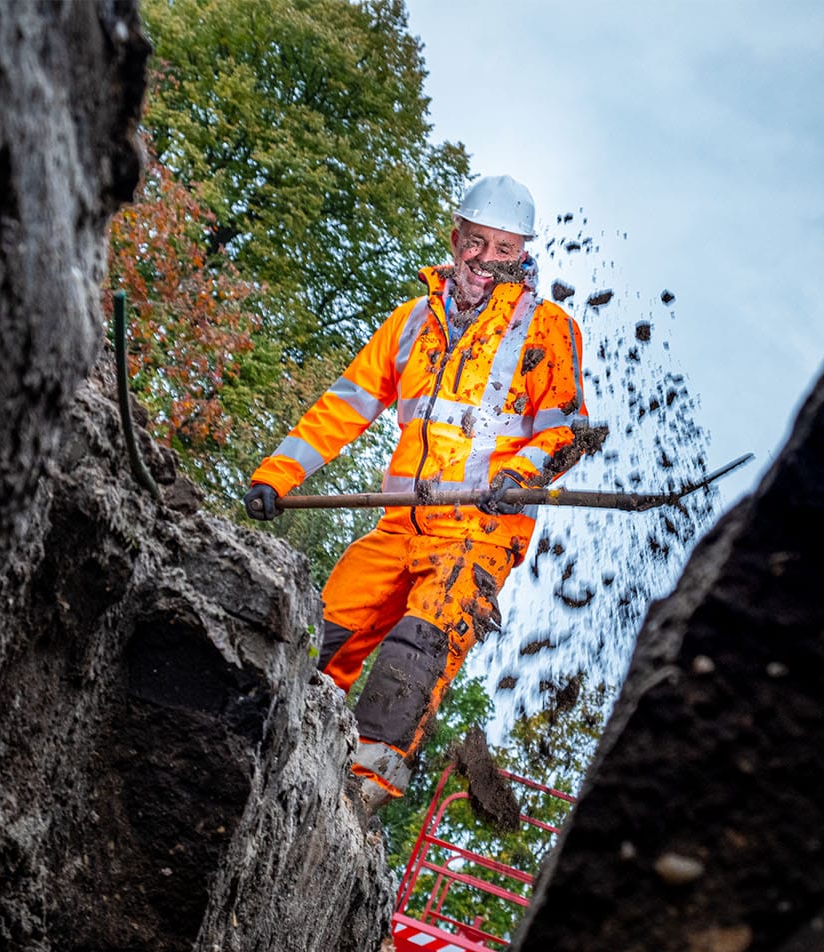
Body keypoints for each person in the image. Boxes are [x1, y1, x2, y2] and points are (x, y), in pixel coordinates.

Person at [244, 175, 592, 813]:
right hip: (397, 527)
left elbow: (568, 430)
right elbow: (342, 408)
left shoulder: (547, 330)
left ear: (524, 254)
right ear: (456, 239)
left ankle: (361, 792)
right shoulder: (411, 324)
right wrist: (276, 475)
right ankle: (264, 741)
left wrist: (522, 477)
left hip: (478, 535)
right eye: (477, 243)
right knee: (317, 634)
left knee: (418, 648)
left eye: (505, 249)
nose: (487, 260)